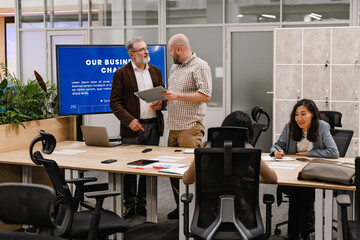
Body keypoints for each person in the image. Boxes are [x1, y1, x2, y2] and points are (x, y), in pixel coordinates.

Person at [110, 37, 165, 218]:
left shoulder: (156, 71)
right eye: (141, 49)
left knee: (149, 166)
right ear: (131, 54)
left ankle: (142, 203)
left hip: (153, 126)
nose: (146, 52)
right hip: (133, 127)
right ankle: (128, 203)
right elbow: (115, 103)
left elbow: (163, 95)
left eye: (146, 48)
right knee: (131, 168)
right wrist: (129, 121)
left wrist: (160, 104)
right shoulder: (121, 73)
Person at [270, 99, 339, 240]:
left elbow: (333, 152)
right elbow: (276, 145)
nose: (299, 118)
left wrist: (309, 153)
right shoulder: (290, 127)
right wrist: (276, 151)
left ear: (312, 114)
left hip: (314, 172)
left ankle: (295, 233)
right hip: (293, 171)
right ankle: (304, 231)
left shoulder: (322, 127)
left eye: (303, 114)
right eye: (296, 114)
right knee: (299, 188)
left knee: (301, 190)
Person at [161, 33, 212, 219]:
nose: (169, 55)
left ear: (179, 49)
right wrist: (163, 102)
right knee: (172, 171)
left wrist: (178, 96)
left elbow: (205, 95)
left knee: (192, 172)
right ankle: (181, 206)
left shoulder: (200, 66)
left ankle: (199, 212)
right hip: (173, 127)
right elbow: (173, 95)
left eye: (170, 51)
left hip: (190, 127)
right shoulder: (175, 68)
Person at [183, 111, 278, 185]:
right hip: (240, 207)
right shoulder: (248, 151)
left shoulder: (207, 147)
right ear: (248, 133)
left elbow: (187, 180)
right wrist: (254, 178)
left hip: (209, 207)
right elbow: (272, 178)